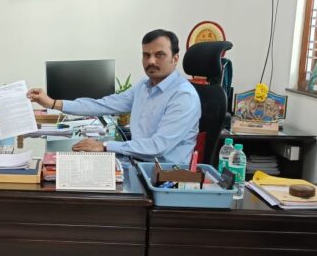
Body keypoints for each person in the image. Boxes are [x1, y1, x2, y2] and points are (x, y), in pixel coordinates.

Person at [27, 29, 201, 164]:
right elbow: (104, 105)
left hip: (163, 178)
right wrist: (53, 103)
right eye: (146, 55)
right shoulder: (144, 85)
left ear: (175, 59)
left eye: (159, 55)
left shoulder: (183, 96)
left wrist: (104, 146)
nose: (151, 61)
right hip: (138, 164)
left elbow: (157, 146)